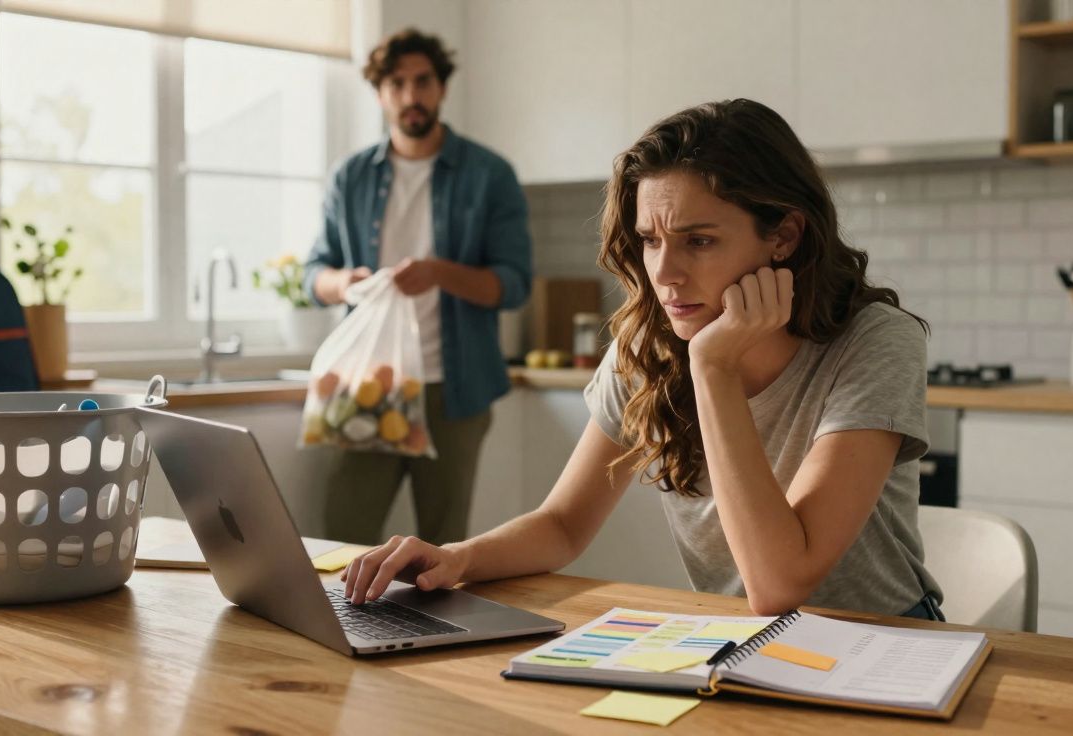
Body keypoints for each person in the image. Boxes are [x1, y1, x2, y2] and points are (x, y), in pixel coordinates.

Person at [342, 98, 945, 620]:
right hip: (745, 644)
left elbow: (780, 583)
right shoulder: (648, 349)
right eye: (651, 240)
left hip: (886, 642)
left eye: (699, 241)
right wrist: (457, 558)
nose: (665, 273)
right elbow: (562, 525)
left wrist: (712, 368)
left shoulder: (875, 342)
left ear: (783, 236)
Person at [304, 28, 532, 546]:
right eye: (397, 83)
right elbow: (313, 272)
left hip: (456, 388)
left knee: (443, 549)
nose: (411, 96)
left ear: (441, 88)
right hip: (369, 381)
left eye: (422, 81)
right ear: (380, 93)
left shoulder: (490, 175)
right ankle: (344, 629)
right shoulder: (351, 177)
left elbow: (515, 285)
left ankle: (434, 631)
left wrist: (439, 273)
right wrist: (345, 282)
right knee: (341, 536)